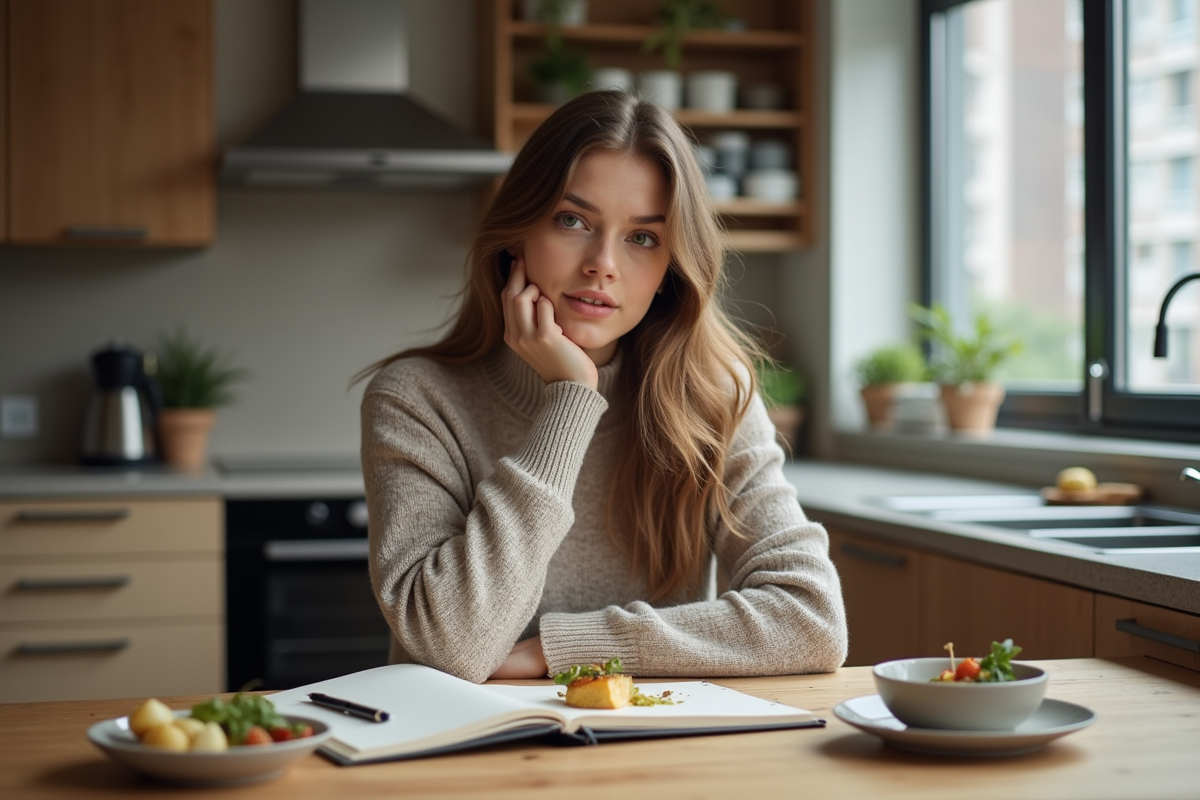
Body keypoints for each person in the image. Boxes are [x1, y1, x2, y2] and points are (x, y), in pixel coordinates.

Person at [358, 90, 847, 683]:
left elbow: (812, 620)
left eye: (642, 238)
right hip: (466, 738)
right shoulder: (416, 399)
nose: (602, 264)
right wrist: (570, 400)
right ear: (516, 233)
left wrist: (562, 649)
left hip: (650, 736)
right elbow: (452, 646)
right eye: (572, 220)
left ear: (671, 267)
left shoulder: (714, 397)